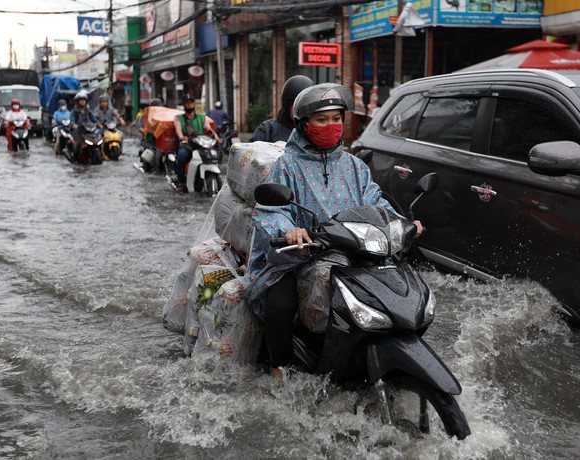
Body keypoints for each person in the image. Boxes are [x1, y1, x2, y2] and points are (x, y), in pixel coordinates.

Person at [244, 83, 424, 379]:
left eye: (337, 118)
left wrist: (402, 223)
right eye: (322, 119)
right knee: (281, 304)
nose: (332, 126)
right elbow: (271, 211)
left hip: (353, 251)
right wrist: (290, 232)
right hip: (299, 256)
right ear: (304, 125)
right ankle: (280, 369)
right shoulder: (287, 166)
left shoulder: (355, 166)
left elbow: (375, 202)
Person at [173, 94, 219, 194]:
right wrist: (181, 137)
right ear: (184, 104)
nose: (190, 105)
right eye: (187, 103)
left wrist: (216, 136)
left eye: (191, 102)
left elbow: (208, 128)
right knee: (181, 156)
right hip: (186, 144)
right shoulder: (178, 118)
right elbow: (178, 129)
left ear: (194, 104)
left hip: (200, 144)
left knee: (212, 155)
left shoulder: (202, 117)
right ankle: (182, 183)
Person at [250, 75, 314, 143]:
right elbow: (251, 151)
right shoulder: (268, 130)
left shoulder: (316, 130)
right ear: (287, 105)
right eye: (298, 105)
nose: (302, 111)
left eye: (307, 106)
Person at [70, 91, 100, 159]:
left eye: (84, 100)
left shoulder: (88, 110)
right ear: (78, 101)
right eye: (81, 100)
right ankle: (75, 158)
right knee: (79, 143)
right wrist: (74, 125)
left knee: (98, 140)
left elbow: (93, 119)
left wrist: (98, 124)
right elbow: (72, 121)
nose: (83, 102)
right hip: (78, 132)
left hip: (88, 131)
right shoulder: (74, 111)